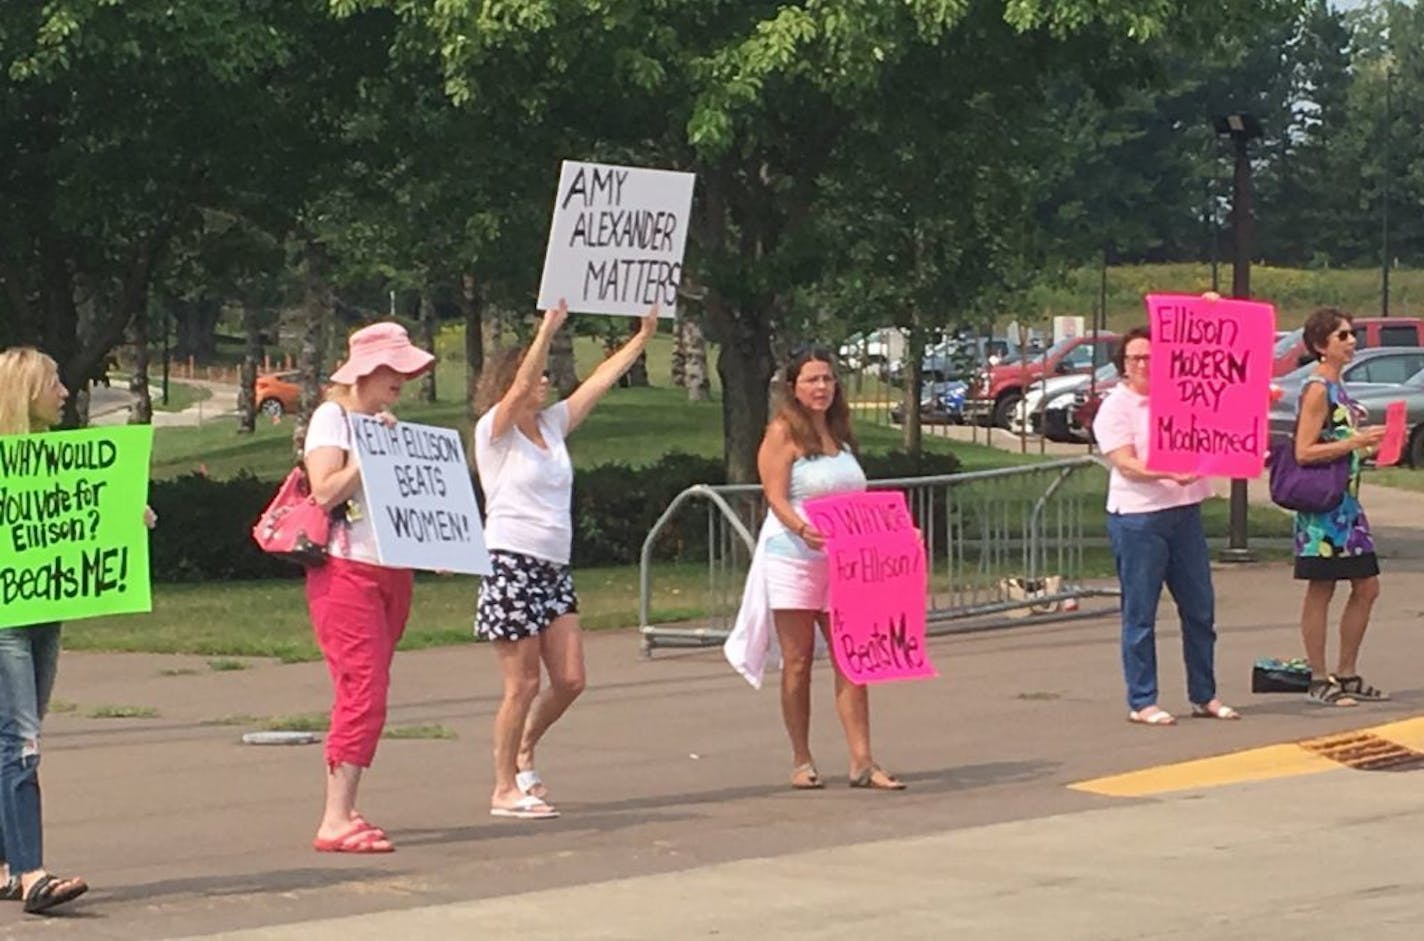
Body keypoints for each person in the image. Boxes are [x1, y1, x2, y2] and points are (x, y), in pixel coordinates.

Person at [473, 299, 658, 820]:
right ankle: (504, 786)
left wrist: (641, 338)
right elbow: (514, 392)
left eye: (549, 376)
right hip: (511, 562)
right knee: (522, 683)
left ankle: (525, 749)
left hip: (554, 566)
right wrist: (548, 327)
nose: (546, 383)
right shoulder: (496, 431)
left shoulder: (551, 427)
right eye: (538, 376)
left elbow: (597, 383)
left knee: (571, 679)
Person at [0, 348, 154, 914]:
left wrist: (125, 516)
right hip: (6, 622)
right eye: (54, 382)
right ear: (24, 393)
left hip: (45, 616)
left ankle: (5, 862)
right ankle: (32, 873)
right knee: (22, 744)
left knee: (14, 738)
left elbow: (78, 520)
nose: (65, 391)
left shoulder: (61, 459)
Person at [302, 322, 433, 853]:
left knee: (369, 687)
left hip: (389, 567)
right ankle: (334, 816)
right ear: (363, 372)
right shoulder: (333, 419)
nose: (402, 377)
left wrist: (435, 545)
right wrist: (366, 457)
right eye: (391, 368)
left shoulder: (385, 424)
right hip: (346, 569)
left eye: (405, 367)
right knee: (363, 688)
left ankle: (346, 806)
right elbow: (325, 490)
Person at [750, 346, 905, 790]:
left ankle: (862, 759)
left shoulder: (840, 433)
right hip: (795, 557)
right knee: (798, 661)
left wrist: (894, 534)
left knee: (853, 657)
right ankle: (801, 757)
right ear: (794, 388)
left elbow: (860, 500)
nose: (821, 388)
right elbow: (775, 494)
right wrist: (801, 528)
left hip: (846, 561)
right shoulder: (783, 432)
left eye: (827, 380)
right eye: (812, 380)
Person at [1091, 326, 1238, 726]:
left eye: (1150, 357)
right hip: (1139, 517)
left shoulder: (1180, 395)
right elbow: (1125, 462)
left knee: (1199, 608)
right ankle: (1142, 699)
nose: (1142, 365)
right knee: (1140, 613)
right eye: (1134, 358)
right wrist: (1165, 472)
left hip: (1184, 512)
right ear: (1123, 364)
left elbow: (1219, 368)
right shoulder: (1116, 407)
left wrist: (1210, 310)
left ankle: (1204, 694)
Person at [1291, 308, 1388, 707]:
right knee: (1322, 587)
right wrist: (1351, 443)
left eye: (1351, 335)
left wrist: (1369, 445)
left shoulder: (1339, 385)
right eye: (1342, 336)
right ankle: (1318, 676)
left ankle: (1347, 671)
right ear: (1320, 346)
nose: (1351, 342)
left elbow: (1341, 438)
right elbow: (1303, 450)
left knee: (1367, 586)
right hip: (1323, 509)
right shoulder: (1317, 389)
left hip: (1347, 505)